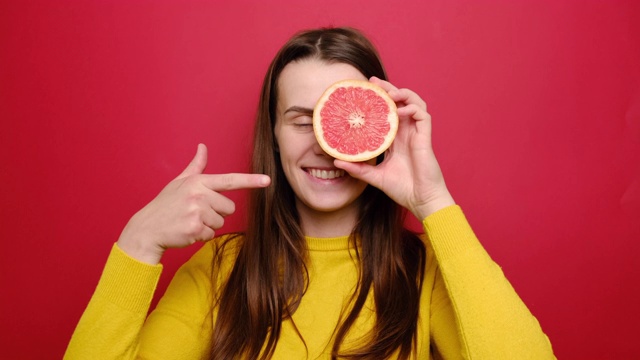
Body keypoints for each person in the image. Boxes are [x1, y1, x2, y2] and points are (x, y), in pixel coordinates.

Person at [65, 27, 555, 359]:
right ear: (273, 137)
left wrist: (434, 204)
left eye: (343, 120)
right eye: (302, 120)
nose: (324, 143)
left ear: (380, 127)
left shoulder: (425, 271)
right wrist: (137, 245)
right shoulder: (219, 271)